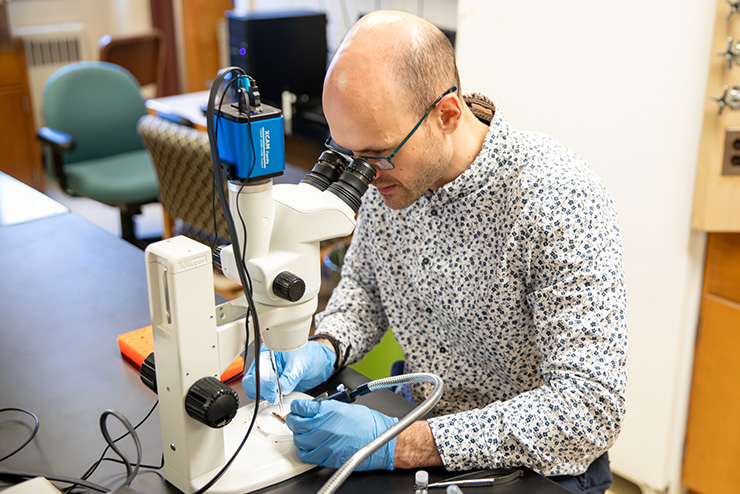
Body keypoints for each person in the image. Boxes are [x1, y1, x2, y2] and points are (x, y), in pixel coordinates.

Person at [243, 10, 627, 494]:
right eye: (347, 154)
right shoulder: (390, 175)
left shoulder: (557, 200)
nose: (365, 177)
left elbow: (590, 408)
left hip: (534, 467)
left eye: (377, 155)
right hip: (417, 413)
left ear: (447, 115)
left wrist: (402, 444)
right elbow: (363, 290)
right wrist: (322, 347)